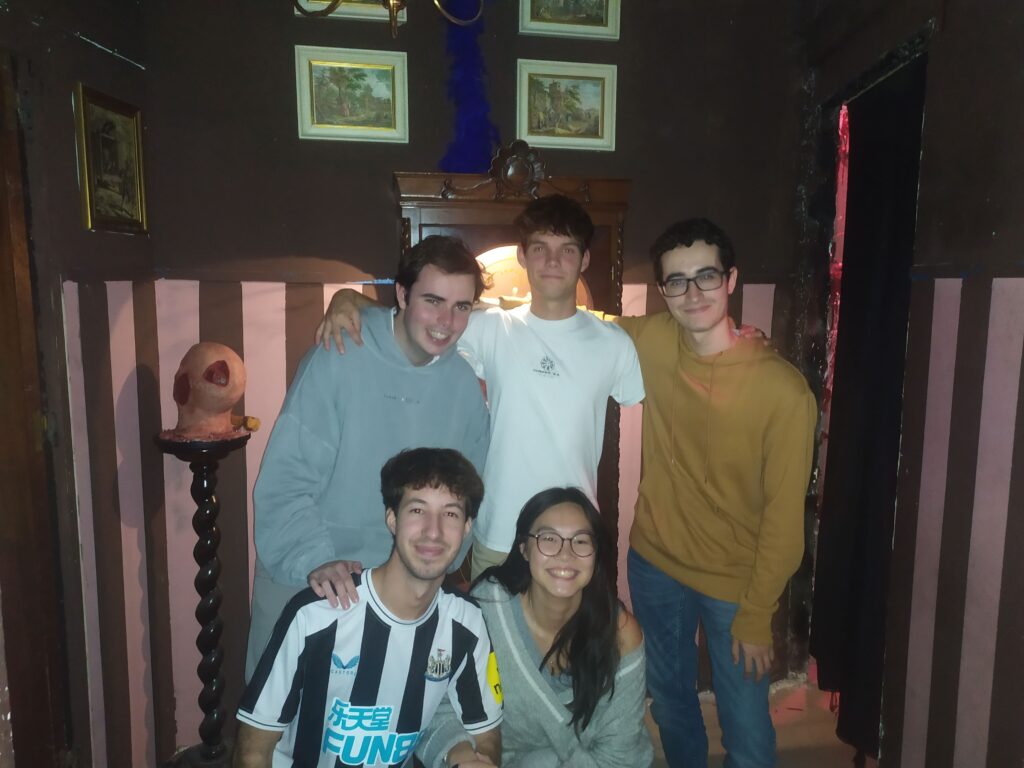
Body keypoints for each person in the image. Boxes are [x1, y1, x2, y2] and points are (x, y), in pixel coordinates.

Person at [316, 194, 645, 578]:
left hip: (574, 537)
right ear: (522, 256)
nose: (553, 261)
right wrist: (349, 299)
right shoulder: (491, 328)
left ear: (585, 259)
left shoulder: (613, 344)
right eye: (540, 248)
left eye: (567, 249)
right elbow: (418, 319)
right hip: (500, 533)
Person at [615, 219, 817, 768]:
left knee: (746, 730)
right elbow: (569, 322)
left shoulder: (782, 391)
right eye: (677, 281)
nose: (693, 293)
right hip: (656, 563)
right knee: (670, 703)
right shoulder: (653, 339)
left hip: (737, 582)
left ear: (731, 279)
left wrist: (757, 614)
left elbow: (784, 522)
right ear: (662, 290)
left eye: (706, 276)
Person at [245, 235, 491, 679]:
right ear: (402, 294)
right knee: (279, 720)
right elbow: (286, 479)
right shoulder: (338, 354)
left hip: (401, 593)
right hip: (310, 577)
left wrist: (435, 570)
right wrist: (315, 560)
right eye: (433, 301)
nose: (446, 321)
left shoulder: (463, 387)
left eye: (461, 307)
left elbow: (467, 496)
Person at [234, 448, 503, 768]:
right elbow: (253, 750)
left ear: (468, 526)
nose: (433, 531)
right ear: (392, 519)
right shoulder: (316, 615)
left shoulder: (467, 624)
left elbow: (486, 737)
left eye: (451, 514)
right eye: (417, 510)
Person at [416, 487, 653, 768]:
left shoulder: (619, 633)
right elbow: (437, 702)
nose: (565, 554)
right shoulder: (487, 614)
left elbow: (621, 754)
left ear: (596, 553)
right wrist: (461, 753)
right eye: (548, 539)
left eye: (580, 541)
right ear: (524, 550)